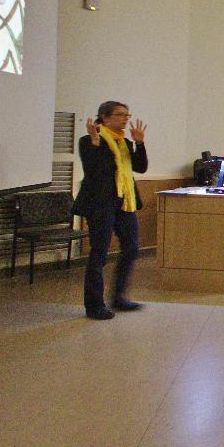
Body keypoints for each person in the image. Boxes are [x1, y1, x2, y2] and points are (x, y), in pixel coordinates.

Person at [73, 101, 148, 319]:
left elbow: (140, 167)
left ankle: (118, 297)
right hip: (100, 204)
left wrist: (140, 143)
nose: (126, 118)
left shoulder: (124, 142)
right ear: (105, 118)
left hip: (125, 201)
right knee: (99, 253)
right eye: (120, 115)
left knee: (132, 249)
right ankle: (94, 305)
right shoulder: (88, 140)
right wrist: (96, 144)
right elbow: (94, 172)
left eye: (127, 114)